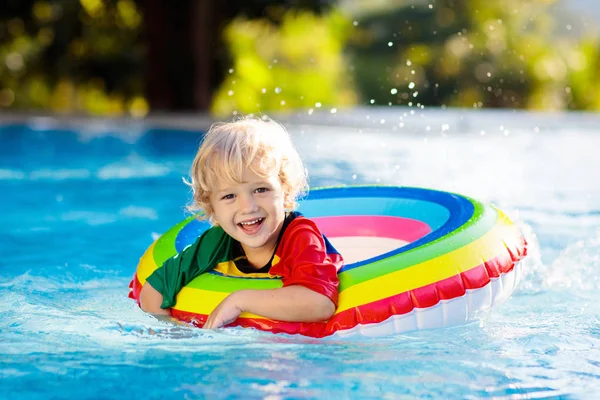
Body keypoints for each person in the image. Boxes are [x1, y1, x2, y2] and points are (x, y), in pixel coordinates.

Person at [139, 116, 343, 329]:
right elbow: (154, 290)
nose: (248, 207)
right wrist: (173, 332)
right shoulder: (217, 241)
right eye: (229, 196)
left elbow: (320, 304)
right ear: (212, 206)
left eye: (261, 189)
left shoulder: (301, 237)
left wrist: (239, 300)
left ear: (285, 190)